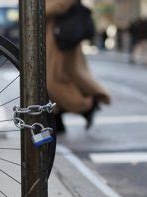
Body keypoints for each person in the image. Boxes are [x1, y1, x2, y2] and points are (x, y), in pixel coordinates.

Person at [46, 0, 111, 133]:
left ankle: (87, 106)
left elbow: (61, 5)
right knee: (59, 79)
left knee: (51, 81)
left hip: (60, 38)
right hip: (48, 37)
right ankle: (56, 119)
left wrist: (35, 9)